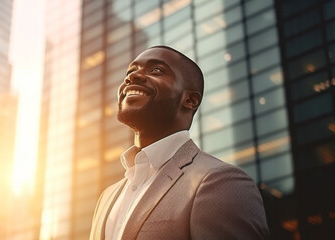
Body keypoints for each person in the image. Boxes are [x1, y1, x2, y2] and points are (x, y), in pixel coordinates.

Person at [89, 46, 269, 240]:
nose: (132, 77)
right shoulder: (107, 196)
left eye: (156, 70)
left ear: (190, 100)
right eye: (131, 71)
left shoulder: (222, 182)